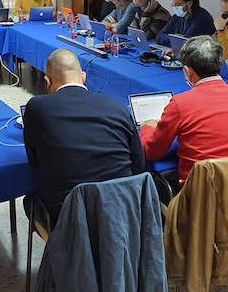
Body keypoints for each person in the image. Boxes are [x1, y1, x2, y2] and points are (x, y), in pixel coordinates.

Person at [22, 49, 145, 228]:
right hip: (124, 215)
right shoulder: (118, 107)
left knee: (30, 200)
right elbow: (138, 165)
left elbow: (34, 162)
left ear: (47, 82)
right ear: (84, 77)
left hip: (71, 220)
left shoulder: (36, 108)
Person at [140, 36, 228, 187]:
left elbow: (152, 151)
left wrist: (146, 128)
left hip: (199, 195)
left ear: (187, 71)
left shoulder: (181, 104)